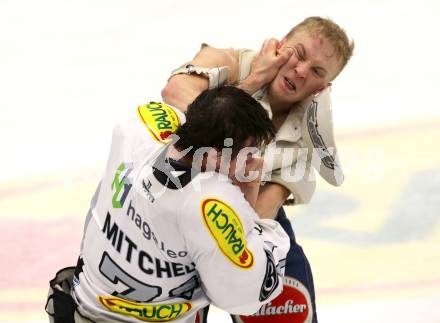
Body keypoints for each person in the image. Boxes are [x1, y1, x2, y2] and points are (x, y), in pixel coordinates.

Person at [161, 16, 354, 323]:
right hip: (173, 205)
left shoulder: (308, 132)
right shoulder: (228, 62)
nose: (301, 71)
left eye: (316, 71)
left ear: (324, 87)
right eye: (298, 54)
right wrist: (254, 80)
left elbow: (258, 218)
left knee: (287, 294)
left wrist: (227, 266)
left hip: (242, 219)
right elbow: (174, 91)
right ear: (277, 45)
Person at [45, 86, 291, 323]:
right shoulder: (210, 202)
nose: (251, 161)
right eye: (247, 154)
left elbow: (182, 93)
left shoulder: (143, 123)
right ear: (213, 155)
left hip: (78, 303)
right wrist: (262, 188)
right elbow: (244, 295)